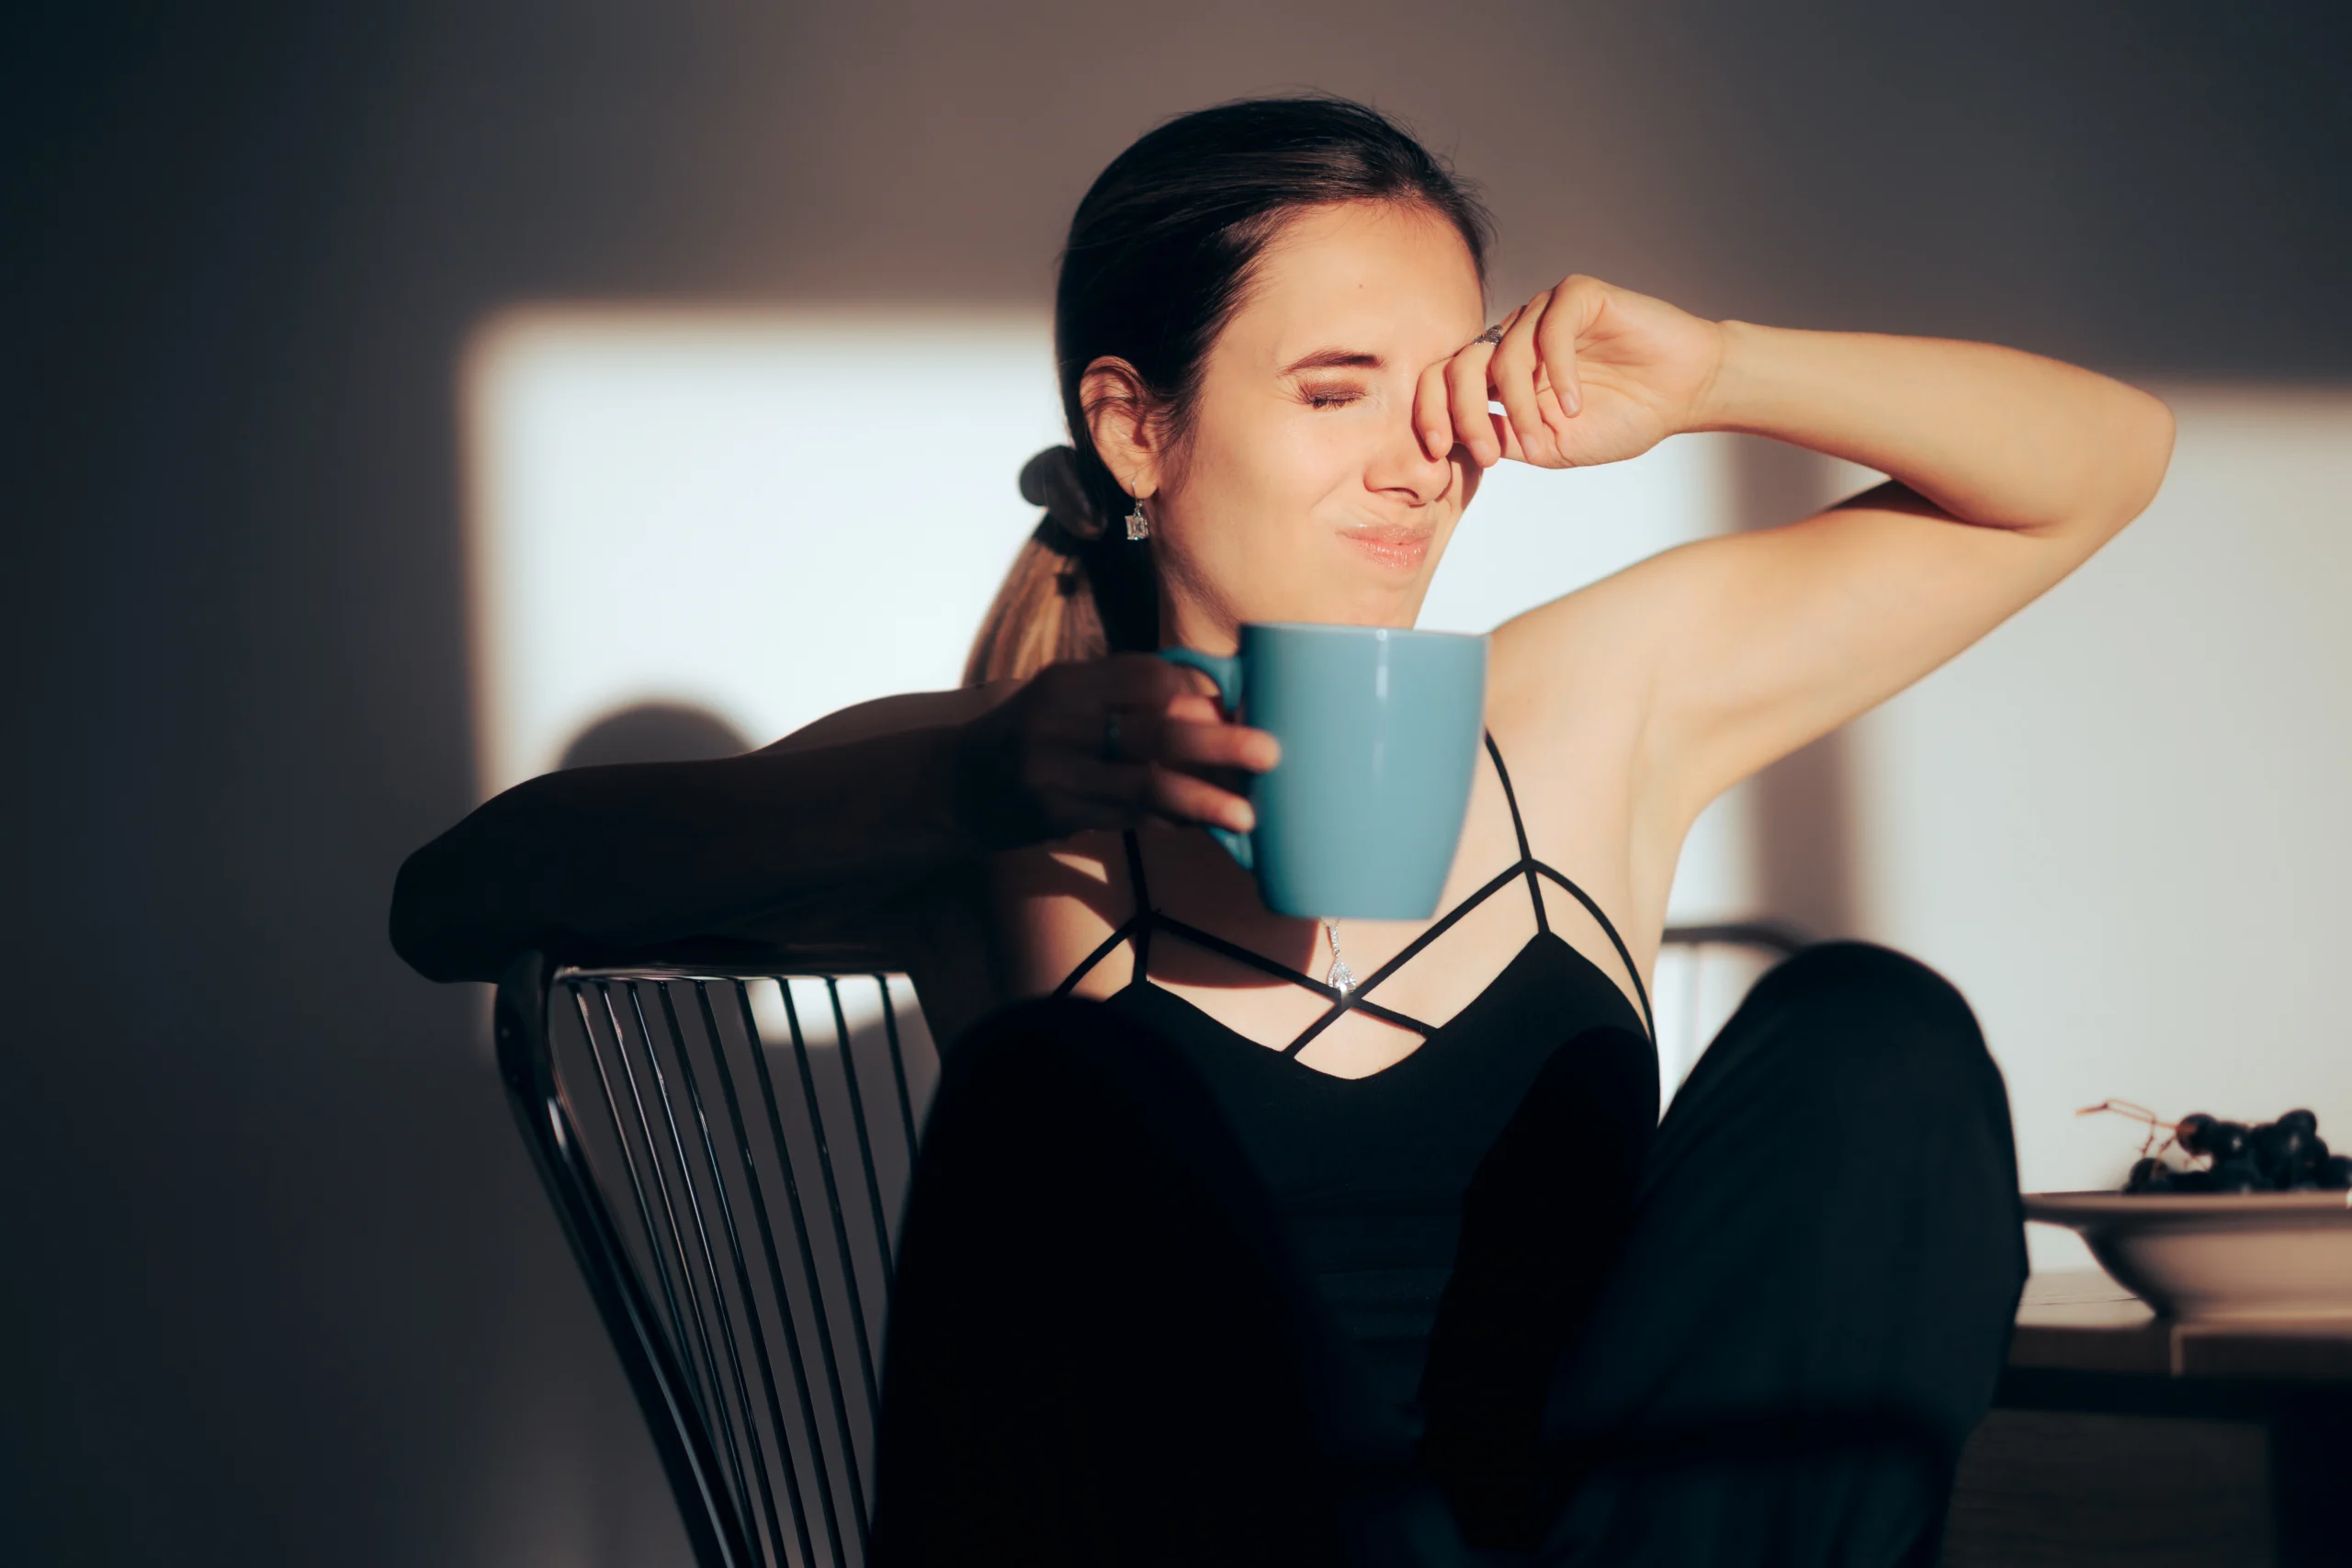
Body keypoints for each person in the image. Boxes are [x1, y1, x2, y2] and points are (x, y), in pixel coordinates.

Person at [392, 96, 2173, 1567]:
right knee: (1057, 1092)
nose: (1417, 465)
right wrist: (967, 789)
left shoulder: (1588, 703)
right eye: (1333, 394)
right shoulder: (1007, 785)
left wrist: (1711, 368)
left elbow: (2095, 462)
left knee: (1875, 1036)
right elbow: (454, 896)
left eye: (1444, 398)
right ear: (1135, 425)